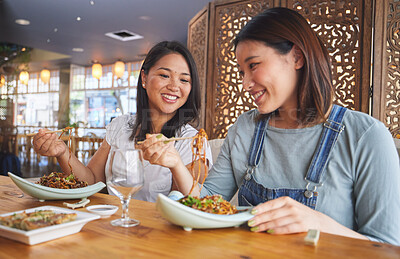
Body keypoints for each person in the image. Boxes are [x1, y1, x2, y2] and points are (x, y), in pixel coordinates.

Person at [140, 8, 400, 245]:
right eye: (242, 71)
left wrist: (319, 223)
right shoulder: (244, 128)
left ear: (297, 57)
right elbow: (208, 202)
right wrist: (174, 162)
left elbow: (388, 247)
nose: (245, 84)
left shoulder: (366, 137)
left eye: (253, 66)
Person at [33, 41, 213, 202]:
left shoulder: (193, 141)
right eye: (164, 76)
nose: (174, 86)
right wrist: (63, 153)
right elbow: (91, 182)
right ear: (144, 78)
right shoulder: (120, 126)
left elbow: (195, 201)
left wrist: (176, 165)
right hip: (115, 225)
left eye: (184, 79)